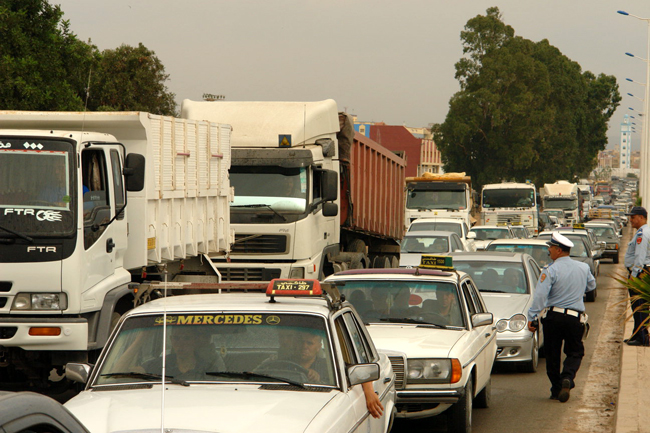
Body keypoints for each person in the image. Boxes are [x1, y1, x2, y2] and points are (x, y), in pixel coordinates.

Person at [527, 231, 596, 402]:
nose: (548, 250)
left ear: (558, 250)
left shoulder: (550, 270)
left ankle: (556, 389)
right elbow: (591, 285)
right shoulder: (583, 267)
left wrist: (532, 317)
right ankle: (568, 376)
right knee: (575, 352)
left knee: (552, 355)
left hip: (553, 318)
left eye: (550, 247)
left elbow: (540, 296)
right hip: (574, 318)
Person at [623, 206, 650, 346]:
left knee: (640, 306)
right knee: (637, 306)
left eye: (633, 217)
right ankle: (637, 334)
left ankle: (643, 337)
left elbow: (640, 256)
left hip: (640, 273)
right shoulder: (642, 232)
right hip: (641, 272)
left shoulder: (642, 234)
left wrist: (634, 275)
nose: (631, 220)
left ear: (641, 217)